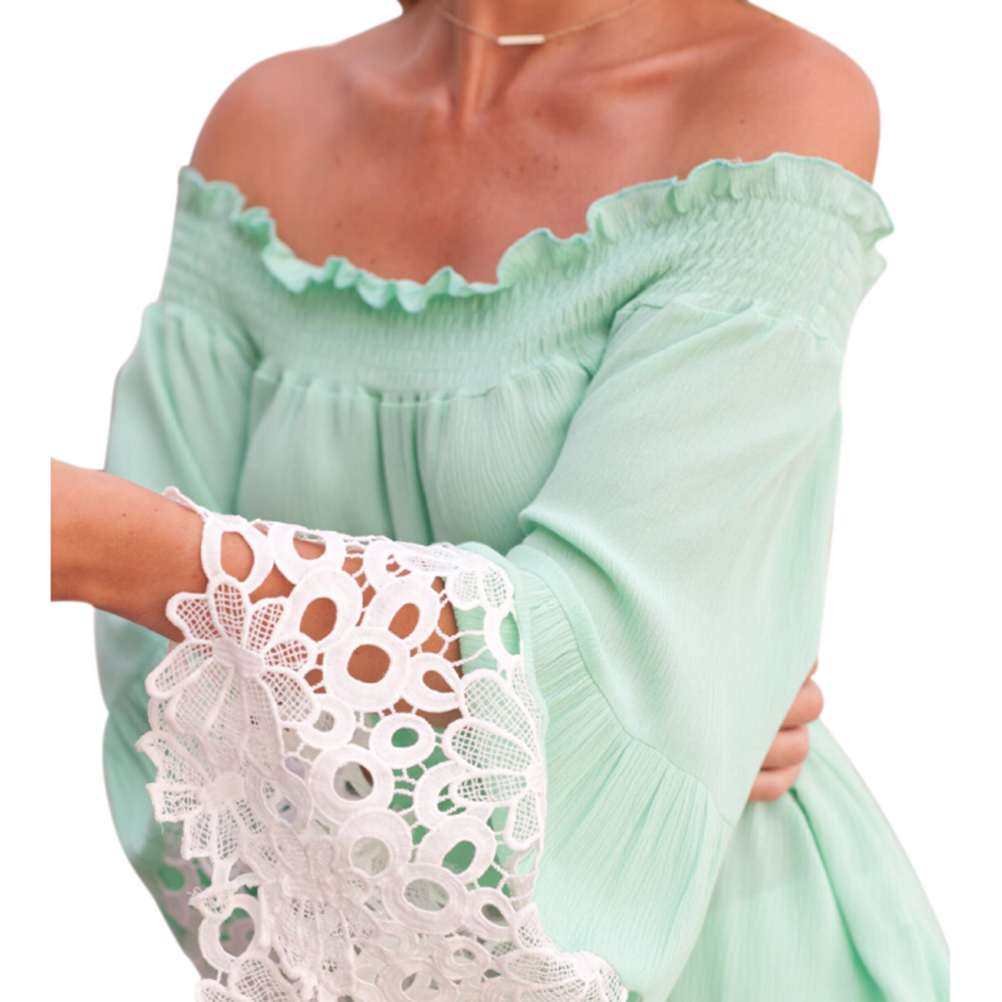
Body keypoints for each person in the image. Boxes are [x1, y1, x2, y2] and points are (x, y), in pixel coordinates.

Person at [50, 1, 948, 999]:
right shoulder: (267, 125)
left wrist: (92, 540)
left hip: (721, 949)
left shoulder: (767, 102)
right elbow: (155, 699)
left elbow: (591, 683)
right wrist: (652, 695)